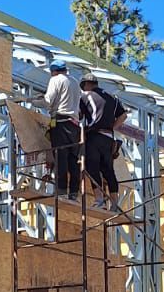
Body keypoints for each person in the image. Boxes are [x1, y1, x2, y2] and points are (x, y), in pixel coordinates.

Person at [79, 74, 126, 214]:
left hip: (94, 136)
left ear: (87, 84)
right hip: (108, 138)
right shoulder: (113, 98)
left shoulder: (85, 96)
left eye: (84, 87)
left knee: (92, 168)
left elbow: (79, 115)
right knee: (108, 171)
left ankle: (99, 200)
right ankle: (115, 204)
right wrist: (112, 126)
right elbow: (123, 115)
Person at [43, 63, 82, 197]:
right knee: (73, 160)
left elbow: (48, 100)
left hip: (61, 122)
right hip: (75, 125)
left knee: (61, 158)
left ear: (54, 71)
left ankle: (61, 191)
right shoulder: (75, 82)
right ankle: (73, 192)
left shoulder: (56, 79)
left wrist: (33, 101)